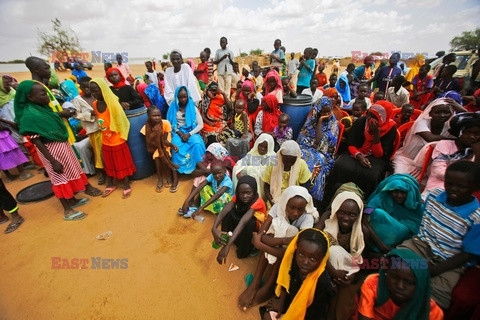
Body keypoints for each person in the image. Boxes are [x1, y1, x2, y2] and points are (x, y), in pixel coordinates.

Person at [398, 160, 480, 309]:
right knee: (395, 265)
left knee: (436, 295)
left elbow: (467, 255)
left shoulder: (476, 217)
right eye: (449, 183)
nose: (453, 189)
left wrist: (435, 270)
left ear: (475, 187)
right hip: (422, 246)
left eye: (461, 186)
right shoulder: (435, 195)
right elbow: (424, 224)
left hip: (450, 261)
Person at [15, 80, 90, 220]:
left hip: (61, 147)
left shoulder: (43, 110)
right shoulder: (30, 116)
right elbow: (36, 140)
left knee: (68, 172)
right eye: (43, 94)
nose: (47, 96)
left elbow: (53, 119)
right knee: (59, 178)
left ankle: (72, 200)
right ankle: (67, 210)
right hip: (51, 152)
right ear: (30, 97)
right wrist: (53, 161)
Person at [238, 186, 319, 310]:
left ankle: (270, 285)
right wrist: (280, 240)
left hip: (291, 253)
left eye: (300, 209)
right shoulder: (278, 207)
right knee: (277, 229)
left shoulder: (307, 218)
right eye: (292, 207)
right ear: (285, 203)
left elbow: (294, 250)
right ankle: (256, 281)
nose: (295, 213)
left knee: (291, 231)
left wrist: (261, 245)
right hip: (277, 244)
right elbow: (262, 233)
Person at [325, 101, 398, 199]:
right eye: (369, 115)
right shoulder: (361, 122)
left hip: (375, 158)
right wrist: (359, 156)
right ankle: (334, 196)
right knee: (340, 165)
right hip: (356, 152)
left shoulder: (390, 129)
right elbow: (351, 144)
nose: (370, 120)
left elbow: (379, 154)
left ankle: (362, 201)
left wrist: (376, 135)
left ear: (383, 118)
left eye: (375, 117)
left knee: (372, 175)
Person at [260, 228, 334, 320]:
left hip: (308, 315)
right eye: (301, 255)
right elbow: (286, 280)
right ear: (296, 250)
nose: (305, 262)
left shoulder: (322, 282)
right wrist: (281, 302)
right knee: (267, 316)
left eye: (313, 259)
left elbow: (318, 313)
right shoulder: (293, 262)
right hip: (291, 303)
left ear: (322, 259)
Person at [316, 190, 365, 319]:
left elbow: (358, 259)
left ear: (358, 215)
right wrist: (333, 271)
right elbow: (315, 243)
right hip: (323, 264)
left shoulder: (362, 231)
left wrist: (352, 276)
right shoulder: (328, 217)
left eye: (352, 214)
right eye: (342, 212)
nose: (346, 218)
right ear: (335, 210)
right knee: (333, 251)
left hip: (345, 273)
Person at [358, 248, 444, 320]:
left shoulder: (432, 312)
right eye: (395, 277)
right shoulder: (373, 285)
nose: (400, 286)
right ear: (386, 273)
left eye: (409, 282)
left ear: (420, 285)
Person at [393, 98, 466, 175]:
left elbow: (471, 125)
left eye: (446, 112)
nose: (442, 115)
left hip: (429, 165)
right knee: (400, 180)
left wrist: (462, 110)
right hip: (407, 160)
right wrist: (456, 139)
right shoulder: (421, 122)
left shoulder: (449, 126)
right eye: (437, 112)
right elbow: (430, 138)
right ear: (430, 113)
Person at [90, 78, 136, 199]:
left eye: (97, 91)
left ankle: (126, 184)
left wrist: (120, 135)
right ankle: (110, 184)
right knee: (108, 162)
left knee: (121, 162)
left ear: (103, 90)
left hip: (116, 139)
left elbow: (122, 121)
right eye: (92, 92)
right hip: (105, 138)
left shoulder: (113, 104)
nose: (94, 94)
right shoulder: (95, 104)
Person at [364, 174, 423, 254]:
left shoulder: (416, 208)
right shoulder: (382, 198)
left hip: (396, 246)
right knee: (378, 213)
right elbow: (364, 218)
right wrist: (382, 246)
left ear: (410, 193)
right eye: (395, 191)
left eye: (403, 192)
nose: (399, 196)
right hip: (374, 241)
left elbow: (416, 233)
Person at [60, 79, 105, 184]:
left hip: (104, 127)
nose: (88, 90)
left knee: (106, 151)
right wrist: (90, 114)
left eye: (89, 87)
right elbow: (76, 115)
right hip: (93, 129)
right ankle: (101, 173)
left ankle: (108, 171)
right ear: (81, 87)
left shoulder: (97, 96)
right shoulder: (78, 100)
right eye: (85, 87)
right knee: (98, 152)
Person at [212, 175, 267, 261]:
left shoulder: (257, 202)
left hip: (254, 227)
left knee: (250, 223)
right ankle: (226, 237)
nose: (245, 196)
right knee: (229, 212)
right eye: (241, 193)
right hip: (244, 218)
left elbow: (243, 222)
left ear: (254, 191)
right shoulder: (237, 197)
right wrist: (214, 228)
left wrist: (227, 246)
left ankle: (248, 248)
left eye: (248, 193)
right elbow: (224, 211)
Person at [424, 112, 480, 194]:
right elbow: (438, 171)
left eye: (477, 134)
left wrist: (477, 155)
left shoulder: (477, 151)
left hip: (463, 193)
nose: (472, 137)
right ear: (460, 133)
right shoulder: (445, 144)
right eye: (468, 132)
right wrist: (465, 180)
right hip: (437, 189)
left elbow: (476, 178)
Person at [297, 97, 339, 204]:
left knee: (313, 166)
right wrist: (312, 144)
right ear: (318, 110)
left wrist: (320, 122)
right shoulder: (311, 120)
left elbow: (323, 145)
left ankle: (311, 198)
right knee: (296, 160)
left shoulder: (333, 124)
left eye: (328, 111)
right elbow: (301, 137)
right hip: (306, 148)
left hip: (323, 154)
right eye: (323, 111)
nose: (325, 114)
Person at [166, 86, 205, 174]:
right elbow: (169, 123)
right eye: (180, 97)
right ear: (177, 97)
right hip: (177, 131)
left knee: (197, 144)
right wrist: (179, 132)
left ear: (188, 96)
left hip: (191, 131)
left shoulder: (192, 107)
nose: (183, 99)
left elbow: (200, 124)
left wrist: (189, 134)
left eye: (185, 97)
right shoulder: (173, 108)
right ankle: (178, 169)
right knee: (175, 145)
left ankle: (198, 166)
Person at [141, 105, 179, 193]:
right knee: (157, 157)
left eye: (159, 115)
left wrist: (172, 145)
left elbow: (165, 140)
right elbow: (149, 142)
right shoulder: (146, 128)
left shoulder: (165, 123)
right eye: (154, 116)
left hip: (166, 143)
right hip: (155, 146)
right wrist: (157, 146)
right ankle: (160, 178)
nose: (157, 118)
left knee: (162, 154)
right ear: (149, 116)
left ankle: (168, 176)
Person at [262, 141, 312, 206]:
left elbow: (304, 187)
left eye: (292, 161)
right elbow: (266, 187)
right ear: (281, 156)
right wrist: (272, 203)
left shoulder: (301, 164)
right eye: (286, 160)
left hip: (295, 201)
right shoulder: (272, 163)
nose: (289, 163)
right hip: (274, 199)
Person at [232, 133, 276, 201]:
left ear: (269, 147)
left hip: (263, 186)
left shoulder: (272, 157)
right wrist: (238, 171)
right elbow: (241, 163)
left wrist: (247, 170)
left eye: (265, 147)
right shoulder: (253, 153)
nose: (262, 149)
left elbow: (263, 171)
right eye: (260, 146)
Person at [199, 81, 231, 146]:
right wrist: (208, 122)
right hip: (207, 124)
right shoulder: (204, 99)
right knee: (210, 138)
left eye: (215, 91)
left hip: (219, 123)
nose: (213, 93)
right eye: (211, 91)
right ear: (207, 90)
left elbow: (230, 107)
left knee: (225, 135)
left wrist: (224, 94)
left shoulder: (220, 98)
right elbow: (201, 115)